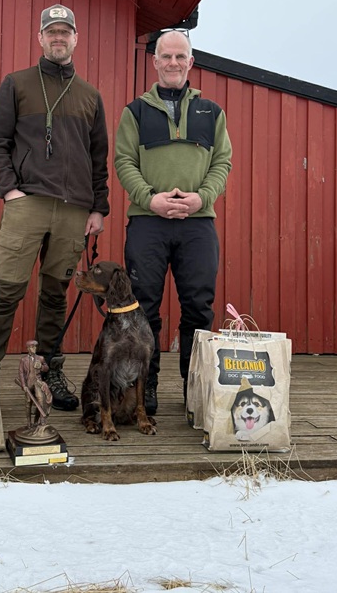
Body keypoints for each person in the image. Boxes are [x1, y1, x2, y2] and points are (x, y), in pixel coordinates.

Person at [0, 3, 109, 411]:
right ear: (40, 38)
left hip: (73, 211)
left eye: (65, 32)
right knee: (6, 292)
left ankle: (48, 376)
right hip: (28, 203)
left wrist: (98, 208)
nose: (58, 38)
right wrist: (9, 190)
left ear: (75, 38)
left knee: (55, 296)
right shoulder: (16, 84)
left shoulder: (90, 96)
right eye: (52, 32)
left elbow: (98, 157)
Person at [114, 29, 232, 415]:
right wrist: (150, 199)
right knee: (143, 307)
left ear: (190, 62)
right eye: (166, 56)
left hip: (197, 224)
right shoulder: (135, 112)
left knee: (198, 308)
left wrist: (202, 198)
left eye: (180, 56)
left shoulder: (212, 112)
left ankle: (194, 390)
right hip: (148, 222)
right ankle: (144, 388)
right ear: (155, 62)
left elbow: (222, 162)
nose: (173, 63)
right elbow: (124, 162)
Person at [18, 340, 52, 428]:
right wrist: (24, 385)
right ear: (28, 348)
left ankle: (40, 421)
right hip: (28, 384)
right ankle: (29, 423)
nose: (34, 348)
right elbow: (21, 373)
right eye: (32, 347)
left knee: (40, 400)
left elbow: (47, 368)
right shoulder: (23, 360)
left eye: (35, 347)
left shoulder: (40, 358)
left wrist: (41, 367)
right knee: (28, 403)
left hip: (37, 383)